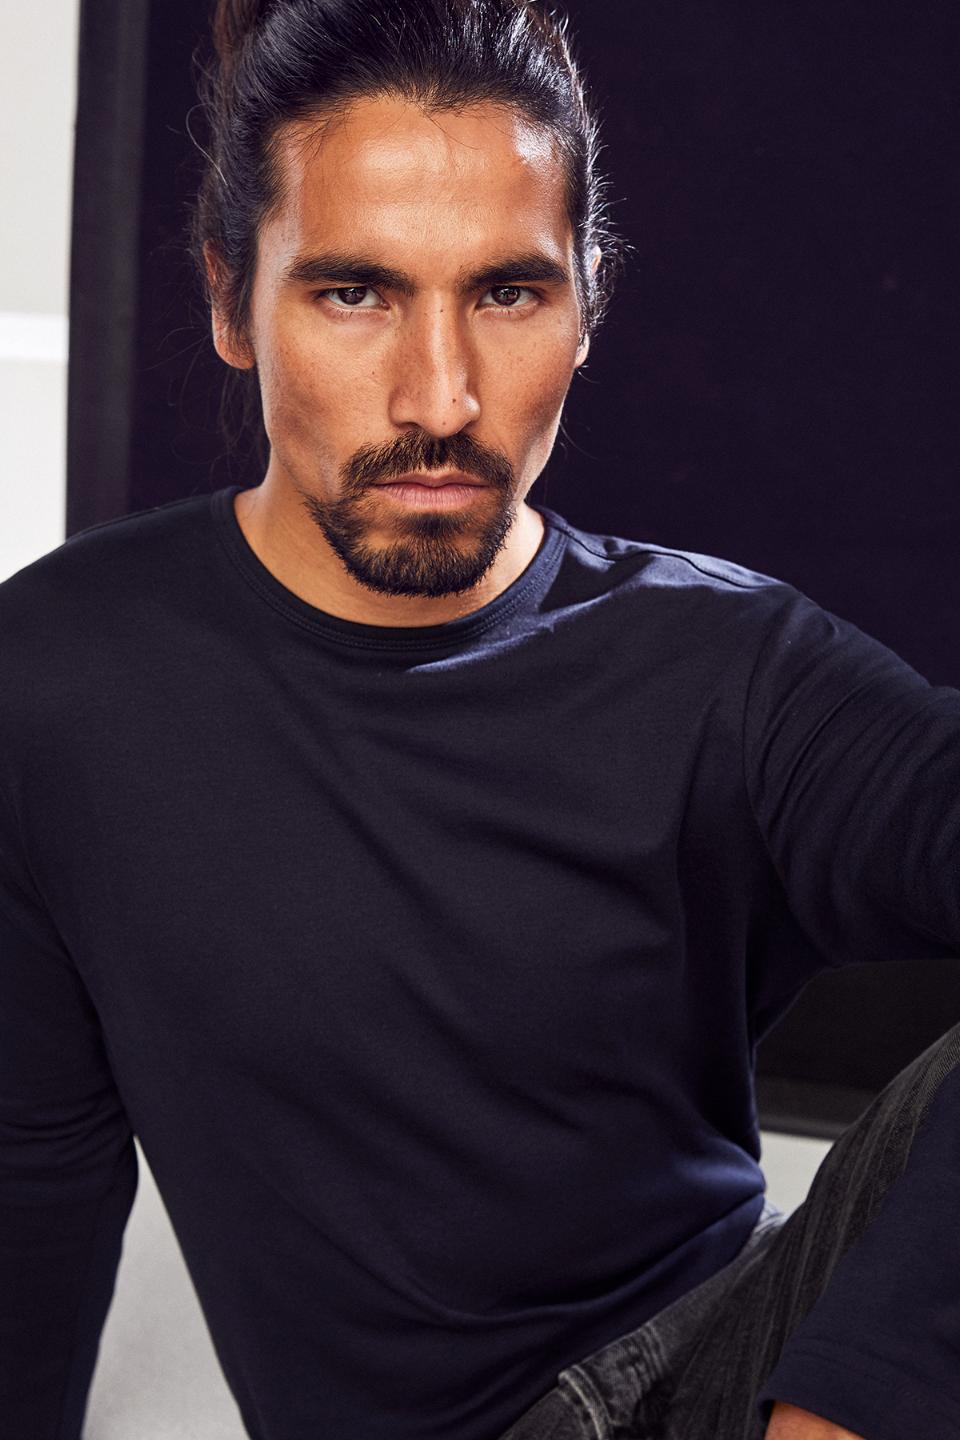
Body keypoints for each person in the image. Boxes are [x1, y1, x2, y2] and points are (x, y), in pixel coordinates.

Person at [1, 1, 958, 1437]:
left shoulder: (733, 666)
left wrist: (846, 1396)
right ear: (229, 301)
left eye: (507, 294)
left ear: (588, 304)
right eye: (354, 294)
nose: (440, 398)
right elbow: (27, 1190)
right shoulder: (57, 676)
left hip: (726, 1373)